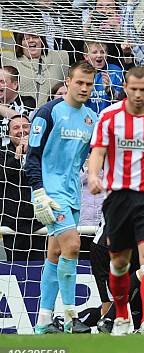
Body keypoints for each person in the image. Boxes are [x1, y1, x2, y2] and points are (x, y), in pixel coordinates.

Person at [87, 66, 144, 335]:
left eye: (143, 89)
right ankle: (122, 314)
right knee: (119, 264)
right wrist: (94, 175)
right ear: (125, 88)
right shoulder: (109, 117)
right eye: (133, 89)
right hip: (117, 198)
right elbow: (98, 151)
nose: (138, 95)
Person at [24, 61, 98, 334]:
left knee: (55, 253)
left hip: (72, 193)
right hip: (49, 193)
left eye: (89, 84)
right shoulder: (48, 112)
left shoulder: (91, 118)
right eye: (79, 82)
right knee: (73, 245)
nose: (84, 88)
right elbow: (31, 158)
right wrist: (39, 191)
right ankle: (70, 317)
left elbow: (97, 156)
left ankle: (43, 321)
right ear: (68, 82)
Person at [0, 115, 46, 261]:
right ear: (8, 134)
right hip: (12, 223)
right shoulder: (2, 152)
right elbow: (2, 176)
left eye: (25, 127)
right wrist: (18, 154)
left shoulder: (43, 151)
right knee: (15, 268)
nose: (22, 131)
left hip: (39, 221)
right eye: (16, 128)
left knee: (39, 267)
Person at [3, 33, 69, 107]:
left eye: (35, 37)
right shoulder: (8, 58)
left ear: (42, 41)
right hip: (20, 113)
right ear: (20, 43)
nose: (31, 40)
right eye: (26, 38)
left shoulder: (60, 57)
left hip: (51, 113)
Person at [0, 66, 37, 147]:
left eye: (2, 82)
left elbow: (22, 120)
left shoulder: (28, 102)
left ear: (15, 85)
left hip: (17, 154)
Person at [83, 41, 123, 113]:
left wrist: (110, 90)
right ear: (86, 56)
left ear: (107, 55)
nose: (99, 55)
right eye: (94, 52)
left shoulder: (116, 71)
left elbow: (121, 99)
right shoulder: (81, 73)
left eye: (102, 52)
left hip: (110, 117)